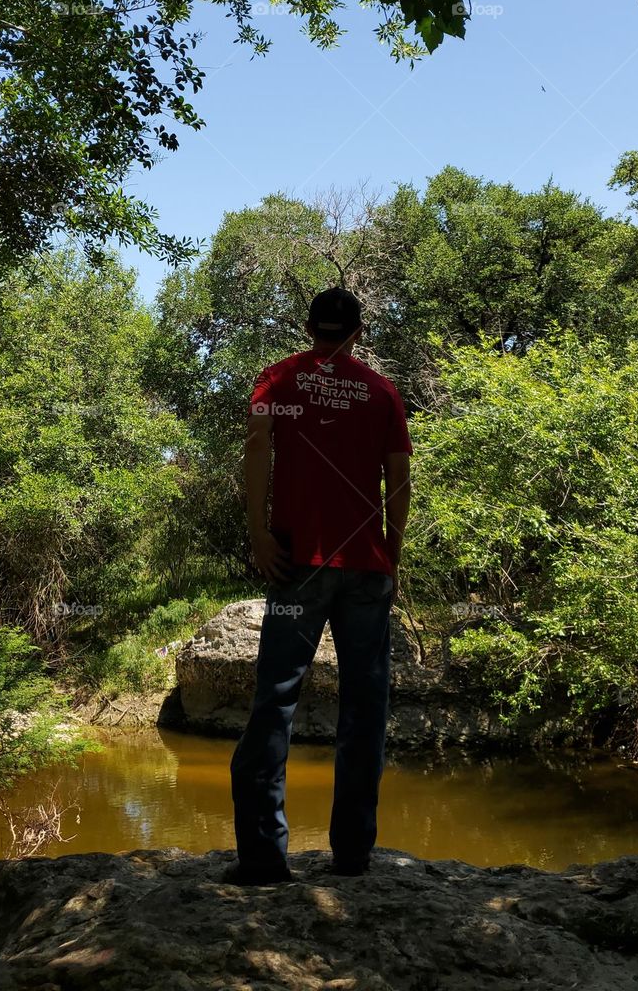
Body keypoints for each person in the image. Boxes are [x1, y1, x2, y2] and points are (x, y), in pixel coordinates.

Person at [226, 287, 412, 885]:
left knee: (276, 702)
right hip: (365, 569)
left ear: (310, 328)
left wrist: (258, 532)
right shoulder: (382, 392)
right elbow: (398, 479)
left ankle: (262, 861)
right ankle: (353, 858)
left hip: (298, 564)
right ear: (357, 334)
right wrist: (392, 553)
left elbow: (258, 447)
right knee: (365, 707)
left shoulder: (278, 381)